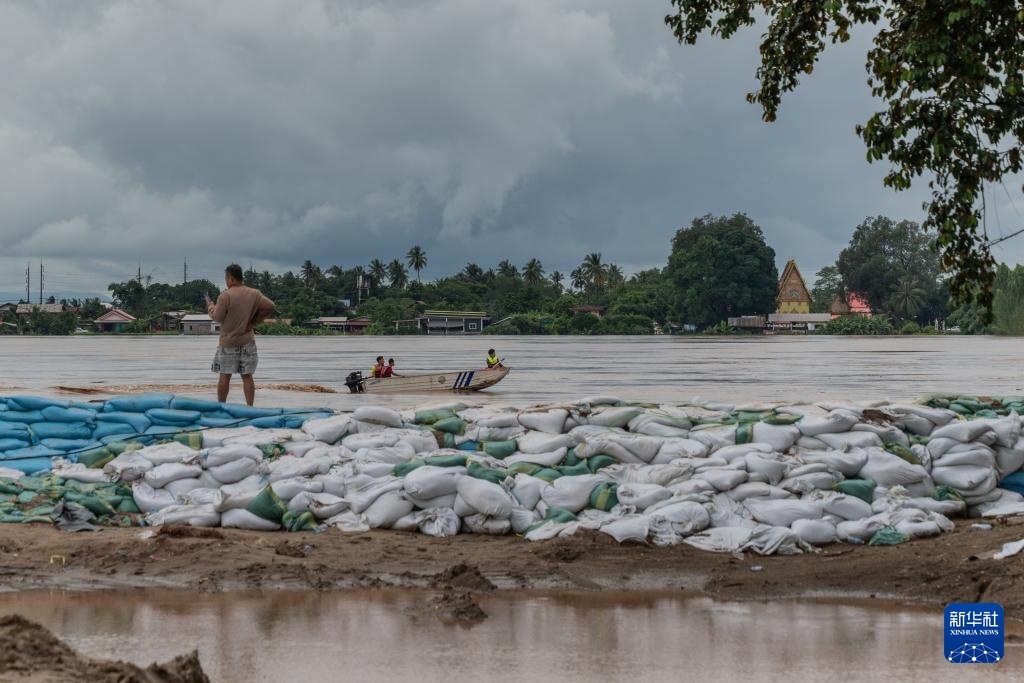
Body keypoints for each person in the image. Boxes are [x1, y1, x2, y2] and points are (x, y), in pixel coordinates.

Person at [207, 264, 275, 406]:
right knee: (247, 376)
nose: (226, 282)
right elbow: (270, 306)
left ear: (231, 279)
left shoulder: (225, 296)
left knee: (225, 375)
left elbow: (218, 317)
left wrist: (211, 307)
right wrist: (254, 322)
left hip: (228, 343)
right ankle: (250, 407)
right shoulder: (255, 294)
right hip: (247, 341)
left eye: (226, 279)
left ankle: (221, 407)